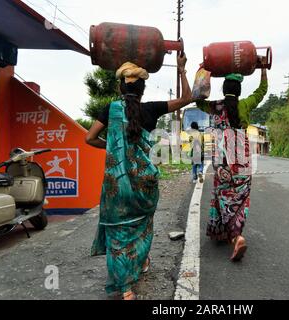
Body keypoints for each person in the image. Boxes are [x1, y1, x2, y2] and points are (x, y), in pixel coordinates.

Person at [85, 53, 192, 300]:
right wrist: (181, 69)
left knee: (118, 234)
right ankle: (142, 262)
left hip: (117, 186)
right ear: (142, 89)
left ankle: (125, 289)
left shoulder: (109, 110)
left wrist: (111, 146)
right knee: (142, 227)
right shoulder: (152, 109)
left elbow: (89, 138)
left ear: (120, 88)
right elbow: (188, 98)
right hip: (145, 185)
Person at [195, 66, 268, 262]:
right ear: (239, 90)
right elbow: (262, 91)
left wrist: (202, 75)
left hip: (222, 158)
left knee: (223, 193)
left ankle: (236, 237)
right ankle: (226, 232)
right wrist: (262, 70)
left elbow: (197, 100)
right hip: (242, 157)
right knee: (240, 195)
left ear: (223, 88)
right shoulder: (245, 105)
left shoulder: (216, 106)